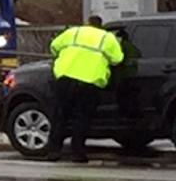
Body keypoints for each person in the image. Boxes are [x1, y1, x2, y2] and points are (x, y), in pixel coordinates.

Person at [46, 14, 124, 163]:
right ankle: (77, 153)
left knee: (60, 116)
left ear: (87, 23)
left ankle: (54, 151)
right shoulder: (107, 38)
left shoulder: (74, 32)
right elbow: (117, 59)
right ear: (101, 25)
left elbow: (54, 47)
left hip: (65, 78)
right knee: (82, 119)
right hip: (89, 82)